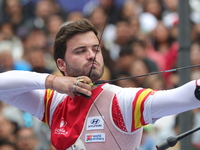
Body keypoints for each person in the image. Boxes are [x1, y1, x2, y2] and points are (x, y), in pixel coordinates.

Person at [0, 19, 200, 150]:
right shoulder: (53, 102)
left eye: (95, 48)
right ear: (61, 64)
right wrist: (53, 81)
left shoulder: (122, 101)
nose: (91, 55)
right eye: (80, 51)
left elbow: (186, 95)